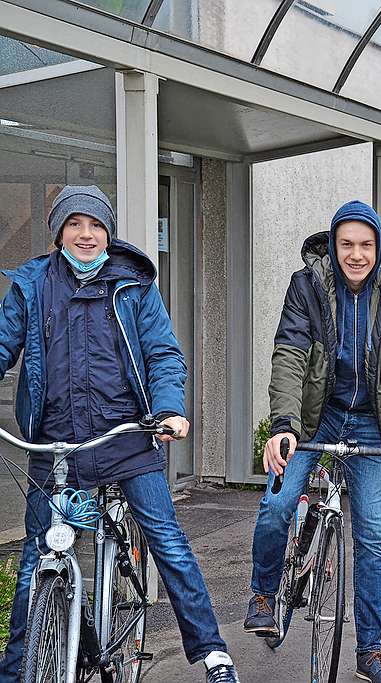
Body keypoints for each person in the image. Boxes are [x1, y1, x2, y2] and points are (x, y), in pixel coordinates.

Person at [0, 186, 239, 683]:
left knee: (167, 542)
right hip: (57, 447)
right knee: (35, 558)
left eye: (95, 225)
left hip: (127, 441)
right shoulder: (32, 286)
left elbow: (163, 355)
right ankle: (16, 671)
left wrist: (169, 409)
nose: (85, 235)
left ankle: (213, 654)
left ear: (108, 231)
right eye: (74, 224)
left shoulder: (132, 285)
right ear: (59, 233)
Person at [245, 200, 381, 683]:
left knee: (372, 537)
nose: (356, 254)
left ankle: (370, 651)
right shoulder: (306, 285)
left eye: (366, 244)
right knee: (279, 503)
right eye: (346, 244)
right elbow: (288, 357)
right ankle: (263, 591)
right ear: (333, 245)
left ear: (379, 246)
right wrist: (282, 424)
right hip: (314, 414)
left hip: (372, 419)